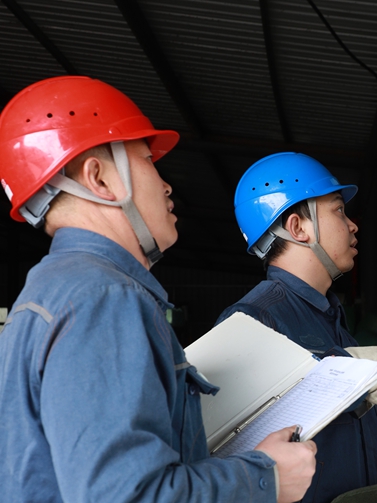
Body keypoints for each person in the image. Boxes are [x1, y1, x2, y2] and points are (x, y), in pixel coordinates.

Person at [0, 76, 316, 503]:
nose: (166, 185)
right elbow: (128, 495)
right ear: (100, 179)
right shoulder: (104, 299)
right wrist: (266, 477)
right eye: (148, 160)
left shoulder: (50, 292)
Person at [216, 152, 377, 503]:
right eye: (338, 210)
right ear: (298, 227)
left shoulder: (327, 313)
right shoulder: (253, 320)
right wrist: (352, 376)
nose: (352, 225)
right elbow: (235, 449)